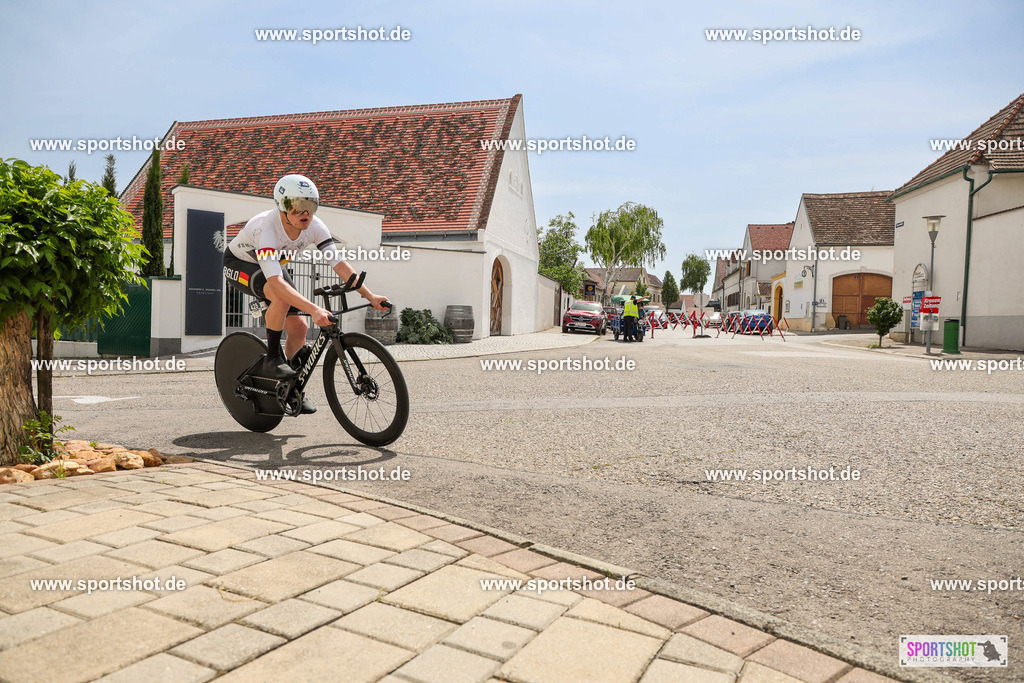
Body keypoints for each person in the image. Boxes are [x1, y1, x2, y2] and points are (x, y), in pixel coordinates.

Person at [223, 174, 390, 413]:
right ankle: (272, 358)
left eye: (311, 206)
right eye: (297, 206)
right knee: (280, 297)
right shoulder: (266, 228)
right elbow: (276, 284)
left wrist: (370, 296)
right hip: (240, 264)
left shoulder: (315, 227)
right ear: (282, 206)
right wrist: (313, 309)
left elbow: (339, 265)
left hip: (272, 266)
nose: (305, 213)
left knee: (300, 327)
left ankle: (291, 390)